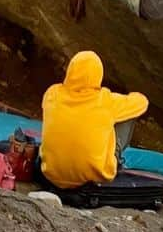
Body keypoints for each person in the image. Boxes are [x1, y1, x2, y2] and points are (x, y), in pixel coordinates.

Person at [39, 49, 149, 189]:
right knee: (127, 114)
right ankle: (115, 162)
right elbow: (142, 103)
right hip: (94, 178)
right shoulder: (105, 101)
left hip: (51, 174)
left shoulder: (52, 94)